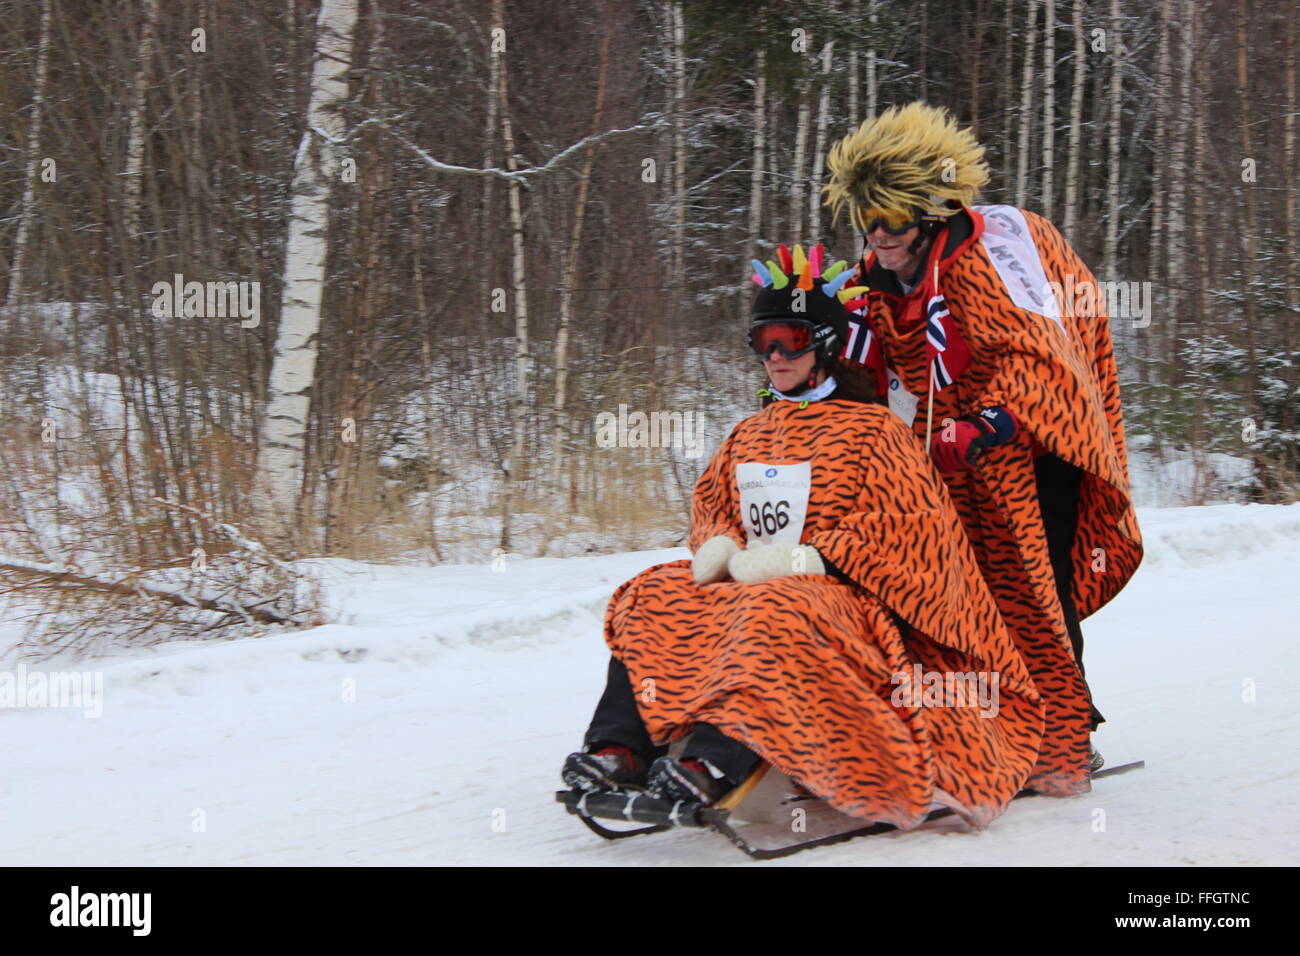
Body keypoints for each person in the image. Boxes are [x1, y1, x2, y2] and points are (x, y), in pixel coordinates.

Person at [560, 243, 1048, 831]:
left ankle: (713, 760)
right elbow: (714, 506)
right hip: (755, 584)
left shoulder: (875, 431)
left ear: (822, 344)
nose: (774, 356)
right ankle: (620, 747)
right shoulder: (749, 432)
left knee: (777, 604)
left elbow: (910, 533)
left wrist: (807, 558)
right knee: (651, 592)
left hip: (847, 600)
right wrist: (719, 544)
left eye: (789, 340)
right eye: (762, 341)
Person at [821, 101, 1144, 795]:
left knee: (1032, 587)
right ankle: (987, 728)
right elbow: (872, 365)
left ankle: (1065, 743)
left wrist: (985, 425)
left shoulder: (988, 259)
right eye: (867, 220)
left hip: (1036, 442)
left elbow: (1045, 362)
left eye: (893, 220)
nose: (879, 235)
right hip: (944, 450)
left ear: (930, 212)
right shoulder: (874, 278)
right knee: (960, 597)